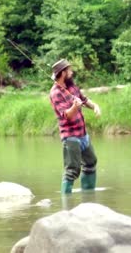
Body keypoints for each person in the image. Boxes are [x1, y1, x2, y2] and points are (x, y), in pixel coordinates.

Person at [49, 59, 101, 194]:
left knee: (91, 162)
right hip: (70, 137)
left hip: (83, 134)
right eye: (69, 70)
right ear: (62, 73)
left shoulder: (71, 86)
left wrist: (95, 106)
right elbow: (66, 115)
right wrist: (74, 107)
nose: (72, 72)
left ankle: (89, 197)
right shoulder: (55, 93)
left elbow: (84, 99)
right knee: (72, 171)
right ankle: (66, 204)